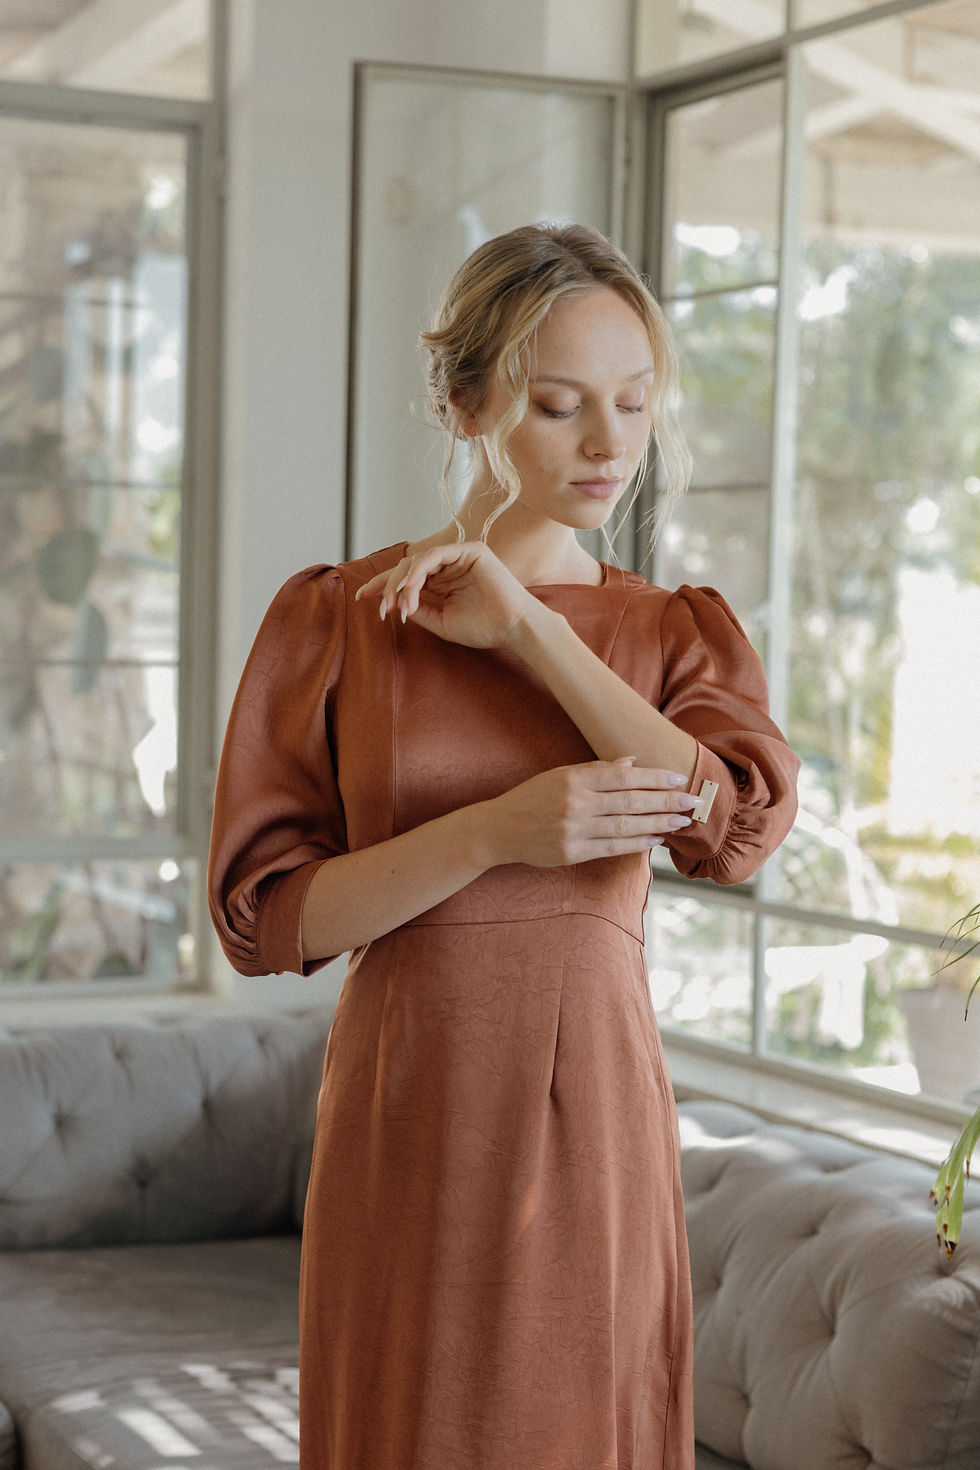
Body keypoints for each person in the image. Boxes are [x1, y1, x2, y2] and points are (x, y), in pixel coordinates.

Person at [207, 222, 800, 1470]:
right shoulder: (336, 621)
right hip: (405, 1104)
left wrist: (532, 631)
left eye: (633, 404)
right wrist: (488, 834)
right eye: (558, 405)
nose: (607, 446)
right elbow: (267, 920)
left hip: (590, 1118)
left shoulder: (670, 633)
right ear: (466, 400)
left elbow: (728, 831)